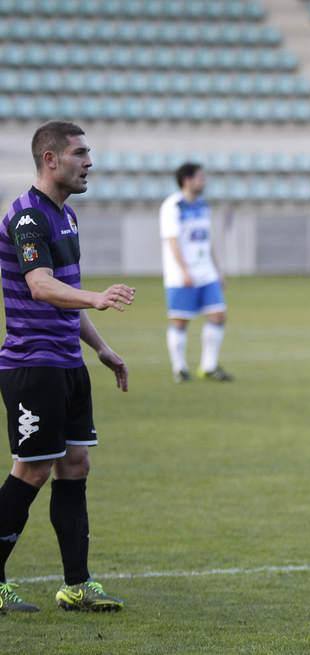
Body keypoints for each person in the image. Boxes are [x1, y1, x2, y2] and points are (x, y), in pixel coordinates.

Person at [0, 121, 134, 612]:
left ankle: (77, 585)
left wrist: (101, 348)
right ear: (50, 159)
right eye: (80, 153)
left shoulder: (67, 217)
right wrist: (97, 298)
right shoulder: (28, 218)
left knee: (75, 466)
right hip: (32, 365)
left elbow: (66, 296)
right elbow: (41, 286)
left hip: (68, 362)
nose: (89, 162)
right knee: (32, 470)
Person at [159, 162, 232, 383]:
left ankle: (208, 366)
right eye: (200, 177)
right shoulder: (173, 206)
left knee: (218, 315)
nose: (204, 181)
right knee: (180, 321)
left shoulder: (202, 205)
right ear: (187, 180)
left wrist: (217, 271)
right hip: (182, 275)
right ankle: (179, 368)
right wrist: (184, 271)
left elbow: (207, 242)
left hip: (206, 272)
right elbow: (172, 241)